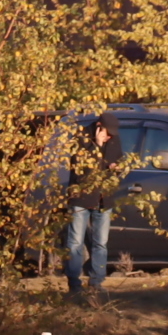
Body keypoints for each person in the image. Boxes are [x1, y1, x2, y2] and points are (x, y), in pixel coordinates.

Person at [65, 118, 119, 302]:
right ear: (98, 127)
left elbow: (117, 162)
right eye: (106, 133)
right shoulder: (81, 139)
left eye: (111, 134)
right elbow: (81, 171)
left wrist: (115, 168)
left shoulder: (113, 139)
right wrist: (96, 146)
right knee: (75, 242)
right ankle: (74, 282)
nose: (109, 137)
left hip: (104, 199)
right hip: (81, 198)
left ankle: (97, 281)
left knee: (100, 242)